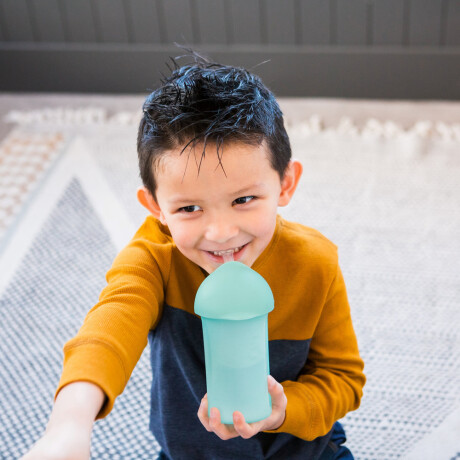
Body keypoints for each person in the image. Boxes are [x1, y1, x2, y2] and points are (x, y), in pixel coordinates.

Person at [23, 51, 365, 460]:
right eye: (189, 208)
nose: (220, 232)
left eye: (244, 199)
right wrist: (68, 426)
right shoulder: (156, 258)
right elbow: (108, 330)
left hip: (306, 451)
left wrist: (283, 409)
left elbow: (343, 378)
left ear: (286, 184)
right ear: (155, 208)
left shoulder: (315, 263)